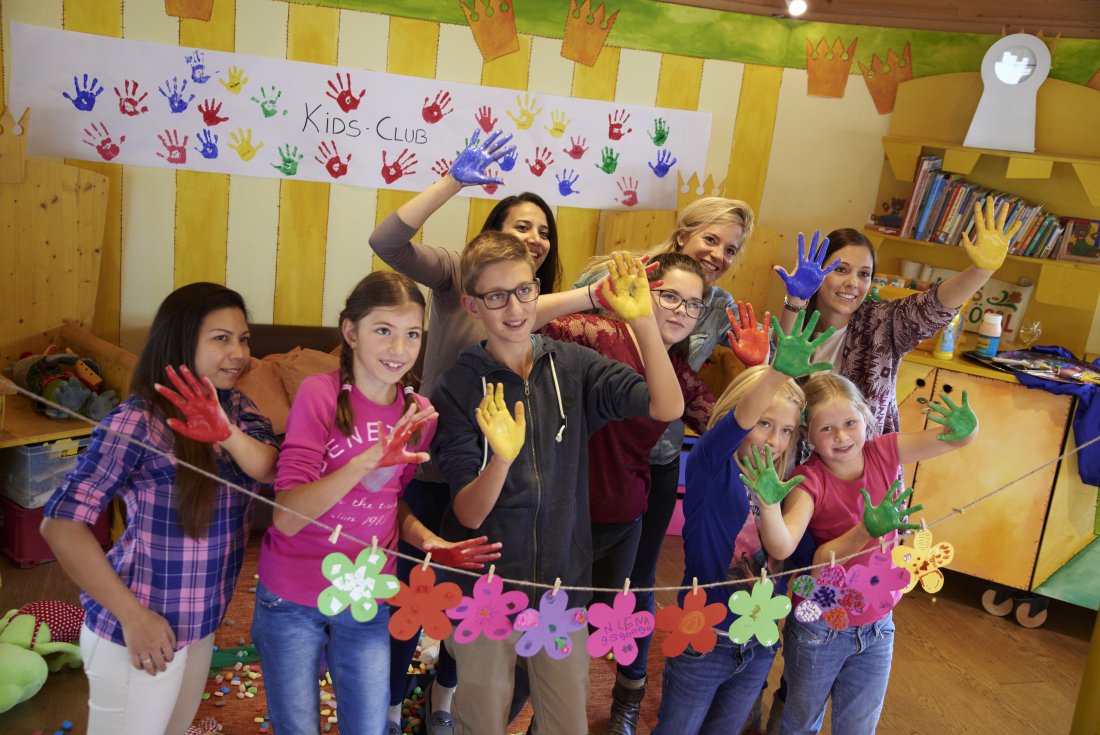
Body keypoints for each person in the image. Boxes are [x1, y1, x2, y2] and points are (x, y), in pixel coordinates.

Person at [368, 130, 618, 733]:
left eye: (543, 230)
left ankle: (444, 704)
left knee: (476, 609)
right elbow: (387, 241)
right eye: (520, 225)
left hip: (493, 483)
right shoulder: (459, 276)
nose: (534, 237)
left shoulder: (525, 306)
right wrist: (454, 180)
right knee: (412, 597)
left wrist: (600, 294)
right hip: (432, 468)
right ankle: (391, 709)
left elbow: (559, 304)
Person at [431, 237, 685, 735]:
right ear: (472, 305)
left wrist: (641, 321)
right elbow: (468, 513)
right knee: (483, 717)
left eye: (524, 290)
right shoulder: (458, 386)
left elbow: (667, 406)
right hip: (484, 590)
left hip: (562, 588)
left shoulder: (573, 366)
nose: (515, 308)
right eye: (496, 296)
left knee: (567, 720)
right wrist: (501, 460)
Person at [250, 272, 500, 735]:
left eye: (412, 334)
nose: (399, 349)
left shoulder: (420, 413)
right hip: (293, 594)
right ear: (351, 332)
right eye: (383, 330)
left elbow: (391, 503)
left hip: (366, 593)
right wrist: (366, 461)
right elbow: (285, 517)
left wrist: (429, 541)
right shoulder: (320, 393)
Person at [40, 282, 280, 735]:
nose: (239, 353)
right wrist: (133, 617)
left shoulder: (237, 407)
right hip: (138, 630)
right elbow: (60, 525)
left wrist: (225, 432)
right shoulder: (138, 420)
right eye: (221, 338)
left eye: (244, 339)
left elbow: (269, 468)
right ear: (180, 340)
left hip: (201, 624)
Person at [575, 196, 756, 732]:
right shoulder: (621, 276)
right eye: (710, 239)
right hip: (590, 451)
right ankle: (555, 689)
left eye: (731, 249)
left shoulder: (717, 306)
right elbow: (560, 325)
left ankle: (629, 695)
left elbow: (703, 402)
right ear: (682, 235)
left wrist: (764, 374)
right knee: (571, 581)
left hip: (652, 452)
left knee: (638, 580)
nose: (719, 254)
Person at [749, 371, 980, 734]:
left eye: (850, 423)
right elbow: (802, 555)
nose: (841, 437)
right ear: (808, 434)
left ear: (866, 418)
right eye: (826, 429)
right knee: (800, 726)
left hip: (878, 622)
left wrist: (969, 430)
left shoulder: (884, 451)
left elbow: (954, 439)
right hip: (821, 625)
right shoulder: (809, 481)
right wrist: (769, 505)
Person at [651, 304, 833, 735]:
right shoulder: (712, 467)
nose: (774, 441)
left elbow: (797, 556)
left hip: (759, 641)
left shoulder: (788, 486)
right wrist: (776, 371)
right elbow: (736, 423)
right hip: (704, 636)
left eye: (786, 431)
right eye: (765, 424)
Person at [540, 252, 716, 614]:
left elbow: (725, 428)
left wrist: (763, 370)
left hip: (625, 521)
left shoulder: (678, 375)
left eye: (693, 304)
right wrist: (592, 295)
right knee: (549, 626)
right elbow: (518, 319)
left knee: (602, 629)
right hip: (567, 517)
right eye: (670, 296)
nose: (681, 310)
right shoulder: (600, 335)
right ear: (644, 292)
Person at [775, 196, 1019, 435]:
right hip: (796, 459)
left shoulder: (882, 323)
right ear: (817, 271)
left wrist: (981, 270)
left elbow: (933, 306)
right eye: (841, 269)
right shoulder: (793, 321)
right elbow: (777, 372)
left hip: (865, 460)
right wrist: (795, 301)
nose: (853, 283)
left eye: (864, 274)